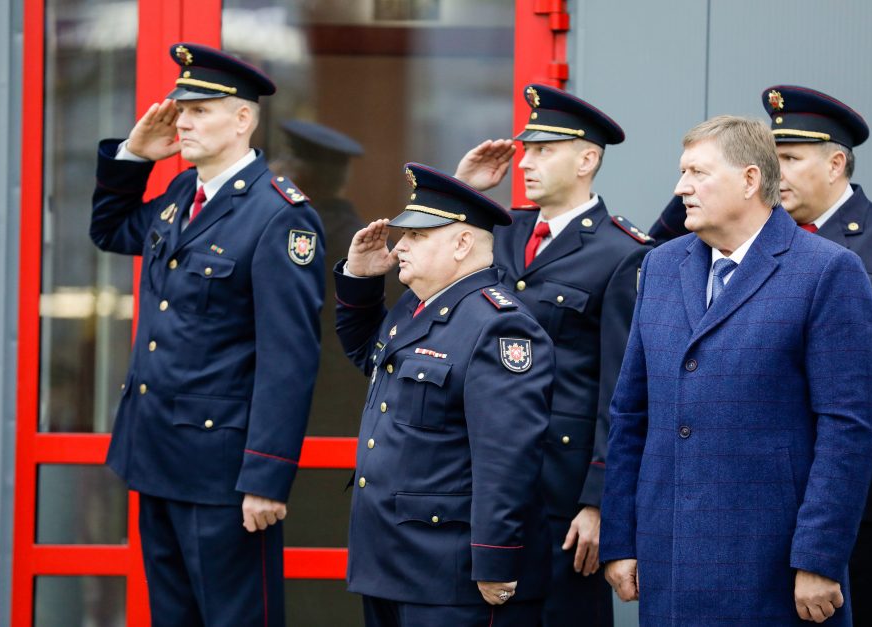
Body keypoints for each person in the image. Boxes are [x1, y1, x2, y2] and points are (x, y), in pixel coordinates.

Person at [600, 115, 872, 625]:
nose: (681, 187)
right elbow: (631, 413)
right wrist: (621, 537)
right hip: (670, 564)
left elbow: (848, 429)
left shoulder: (827, 271)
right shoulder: (661, 267)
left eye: (698, 173)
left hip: (772, 570)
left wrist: (819, 557)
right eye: (682, 172)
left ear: (750, 180)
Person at [89, 42, 324, 627]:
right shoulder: (178, 198)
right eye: (179, 108)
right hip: (156, 454)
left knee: (235, 618)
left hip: (224, 473)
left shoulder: (279, 215)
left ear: (243, 119)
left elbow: (287, 360)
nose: (181, 121)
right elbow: (111, 230)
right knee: (174, 616)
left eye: (199, 111)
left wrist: (267, 476)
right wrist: (133, 156)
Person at [454, 83, 651, 626]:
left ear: (587, 159)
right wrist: (462, 190)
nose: (526, 162)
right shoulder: (502, 231)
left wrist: (599, 501)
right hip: (484, 478)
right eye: (527, 148)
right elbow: (425, 285)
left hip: (561, 493)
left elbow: (624, 390)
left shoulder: (624, 253)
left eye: (544, 150)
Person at [336, 162, 554, 626]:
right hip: (387, 559)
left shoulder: (498, 325)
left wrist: (495, 559)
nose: (399, 247)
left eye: (417, 236)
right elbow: (370, 357)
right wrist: (360, 280)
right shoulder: (416, 309)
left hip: (448, 572)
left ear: (460, 243)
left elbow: (507, 457)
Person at [270, 120, 369, 436]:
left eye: (283, 160)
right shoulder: (362, 239)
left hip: (302, 411)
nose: (273, 168)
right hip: (350, 411)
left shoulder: (288, 237)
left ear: (300, 174)